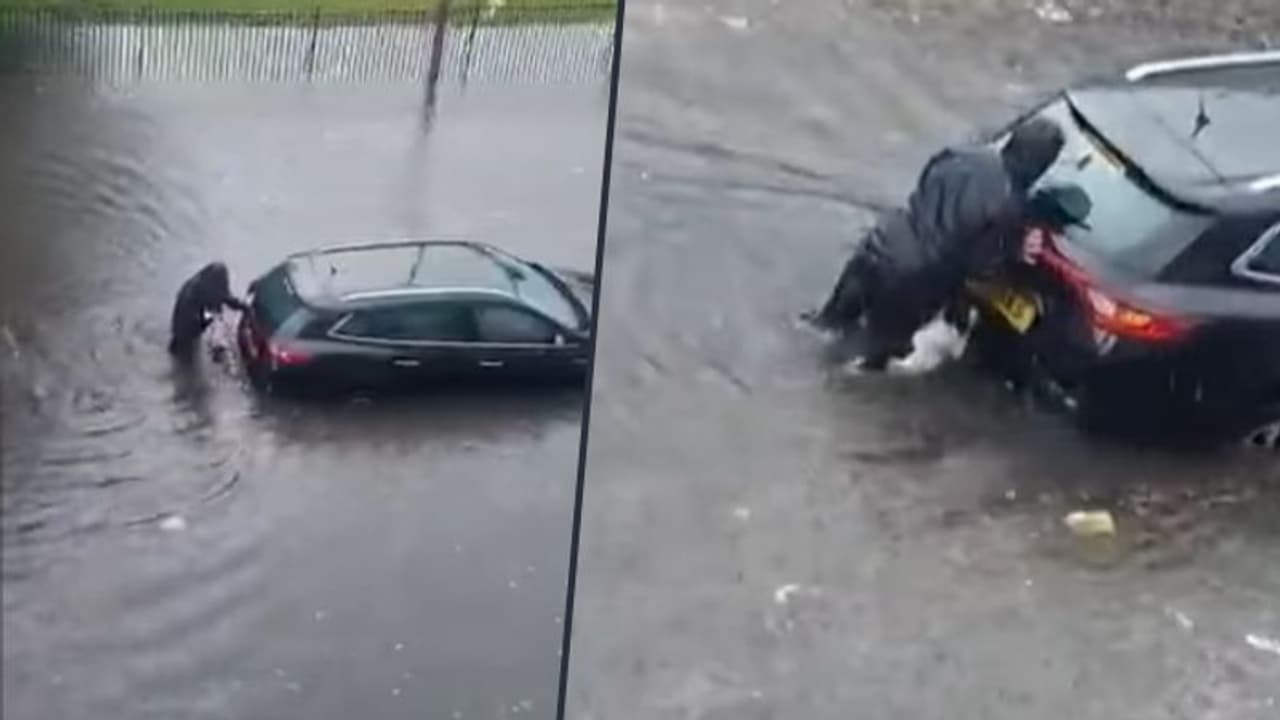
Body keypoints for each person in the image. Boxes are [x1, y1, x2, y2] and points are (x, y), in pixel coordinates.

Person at [806, 116, 1066, 371]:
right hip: (915, 281)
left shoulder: (960, 154)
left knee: (823, 325)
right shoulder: (1011, 205)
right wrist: (1015, 251)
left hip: (882, 241)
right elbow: (980, 268)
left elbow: (926, 181)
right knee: (867, 357)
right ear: (1041, 166)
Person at [168, 262, 248, 360]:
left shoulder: (199, 282)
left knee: (180, 350)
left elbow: (225, 298)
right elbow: (225, 299)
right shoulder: (204, 288)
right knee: (186, 355)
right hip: (188, 324)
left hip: (182, 322)